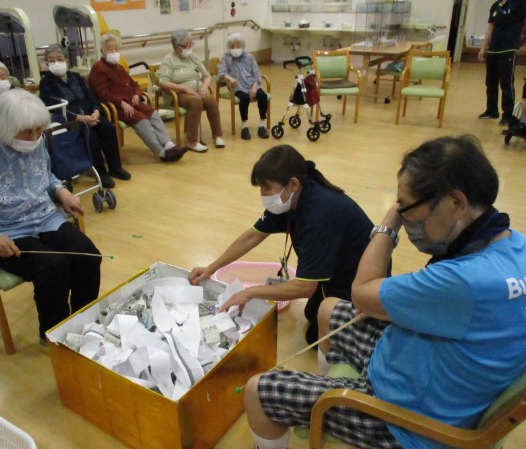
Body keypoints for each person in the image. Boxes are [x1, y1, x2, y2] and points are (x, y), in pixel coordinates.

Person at [243, 135, 526, 449]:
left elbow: (362, 293)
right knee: (328, 308)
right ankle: (328, 387)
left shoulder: (462, 282)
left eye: (406, 206)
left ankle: (331, 401)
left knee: (257, 390)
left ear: (456, 203)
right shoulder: (517, 248)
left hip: (406, 421)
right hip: (426, 369)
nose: (403, 215)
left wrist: (390, 221)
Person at [0, 89, 102, 343]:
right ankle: (54, 336)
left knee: (88, 256)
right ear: (4, 128)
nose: (35, 138)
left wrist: (61, 191)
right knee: (53, 268)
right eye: (27, 132)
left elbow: (45, 175)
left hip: (45, 218)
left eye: (39, 130)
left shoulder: (37, 142)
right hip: (6, 232)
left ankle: (83, 323)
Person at [188, 145, 374, 345]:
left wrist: (249, 292)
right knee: (312, 314)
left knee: (316, 336)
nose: (263, 194)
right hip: (333, 267)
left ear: (293, 183)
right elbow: (252, 236)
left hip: (358, 280)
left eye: (267, 188)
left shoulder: (318, 215)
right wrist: (211, 268)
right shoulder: (291, 197)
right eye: (260, 188)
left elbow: (305, 287)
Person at [39, 44, 132, 189]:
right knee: (90, 134)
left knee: (107, 127)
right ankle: (100, 172)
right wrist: (79, 118)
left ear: (67, 61)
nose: (56, 62)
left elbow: (91, 96)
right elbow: (53, 107)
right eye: (51, 60)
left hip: (90, 113)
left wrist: (96, 111)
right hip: (70, 120)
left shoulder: (76, 77)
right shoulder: (46, 83)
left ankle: (115, 167)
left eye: (59, 58)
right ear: (47, 63)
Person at [88, 35, 187, 164]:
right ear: (102, 51)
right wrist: (121, 103)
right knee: (142, 120)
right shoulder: (98, 68)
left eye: (116, 49)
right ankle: (162, 153)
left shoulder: (119, 67)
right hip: (116, 107)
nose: (114, 52)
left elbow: (134, 84)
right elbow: (101, 93)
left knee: (153, 113)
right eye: (110, 49)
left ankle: (169, 145)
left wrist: (137, 94)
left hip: (132, 102)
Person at [158, 29, 225, 152]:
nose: (189, 47)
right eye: (186, 45)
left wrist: (204, 87)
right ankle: (192, 141)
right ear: (176, 47)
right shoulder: (169, 60)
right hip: (177, 94)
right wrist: (184, 88)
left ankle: (218, 135)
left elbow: (207, 76)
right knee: (195, 102)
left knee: (211, 100)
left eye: (191, 44)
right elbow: (163, 82)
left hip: (196, 91)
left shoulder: (193, 57)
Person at [478, 0, 526, 125]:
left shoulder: (520, 3)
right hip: (493, 49)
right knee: (490, 82)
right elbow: (490, 29)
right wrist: (483, 48)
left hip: (509, 49)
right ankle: (491, 111)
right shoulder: (495, 6)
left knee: (506, 83)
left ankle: (508, 115)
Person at [218, 33, 269, 140]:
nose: (235, 48)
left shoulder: (249, 57)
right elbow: (221, 73)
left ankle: (262, 125)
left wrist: (255, 86)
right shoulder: (226, 57)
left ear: (243, 46)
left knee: (263, 96)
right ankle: (244, 127)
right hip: (237, 87)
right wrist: (230, 78)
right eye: (232, 46)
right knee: (244, 98)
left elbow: (257, 74)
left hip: (252, 84)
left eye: (238, 46)